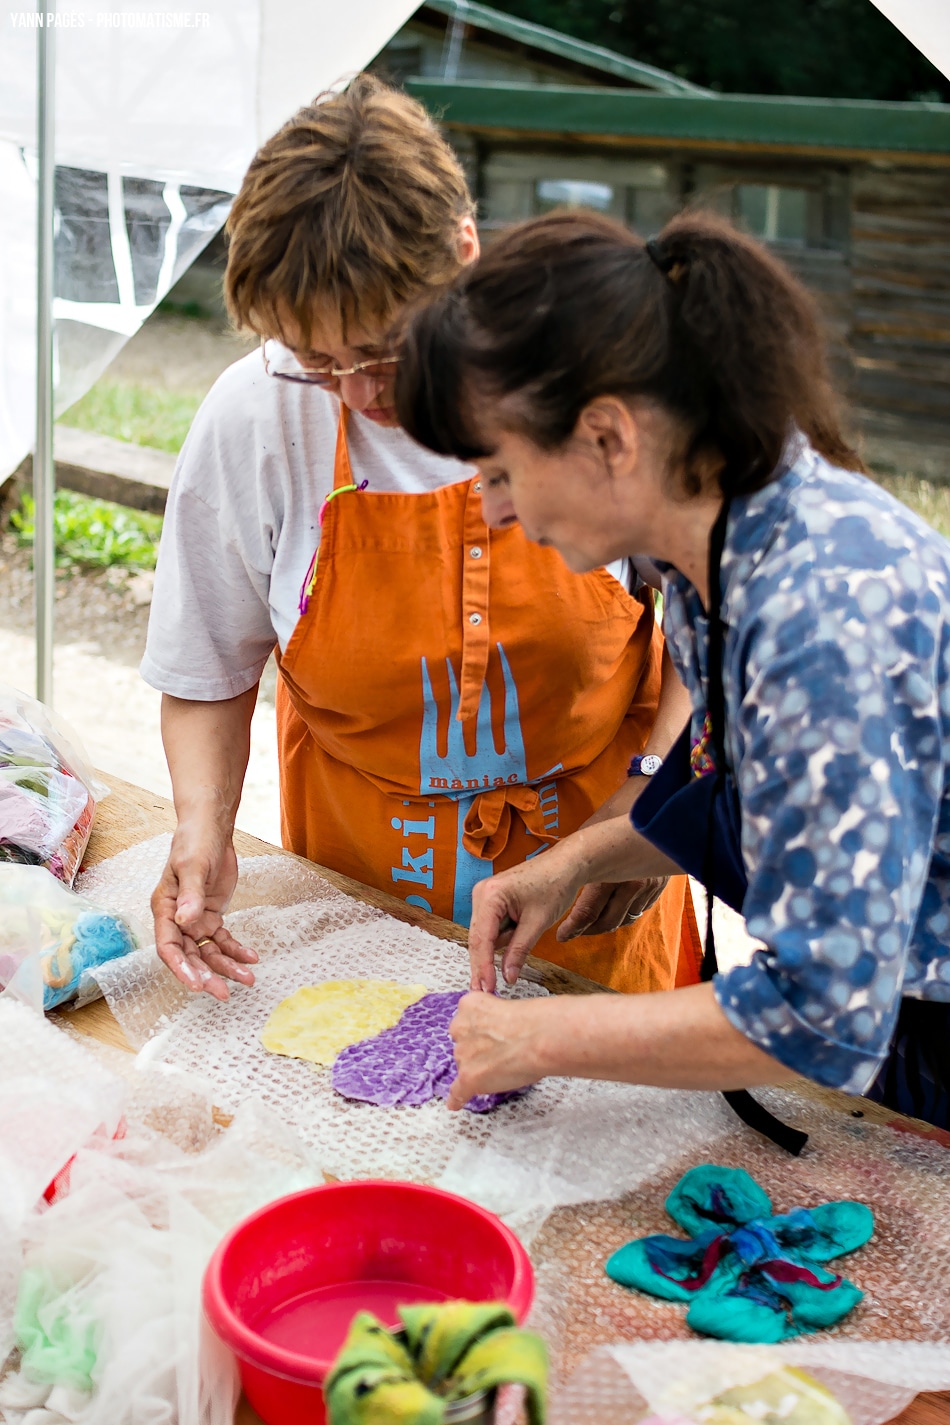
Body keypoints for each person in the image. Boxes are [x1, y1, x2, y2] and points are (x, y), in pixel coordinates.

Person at [142, 78, 701, 1001]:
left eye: (385, 350)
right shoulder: (254, 416)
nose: (359, 392)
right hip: (359, 900)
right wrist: (204, 828)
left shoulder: (593, 380)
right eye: (316, 362)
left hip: (594, 888)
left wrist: (655, 798)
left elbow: (698, 611)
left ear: (464, 254)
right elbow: (209, 662)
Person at [394, 208, 950, 1133]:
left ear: (609, 437)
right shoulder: (705, 555)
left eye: (499, 471)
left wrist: (539, 1040)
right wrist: (571, 863)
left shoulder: (819, 621)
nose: (490, 511)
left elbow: (820, 1009)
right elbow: (741, 787)